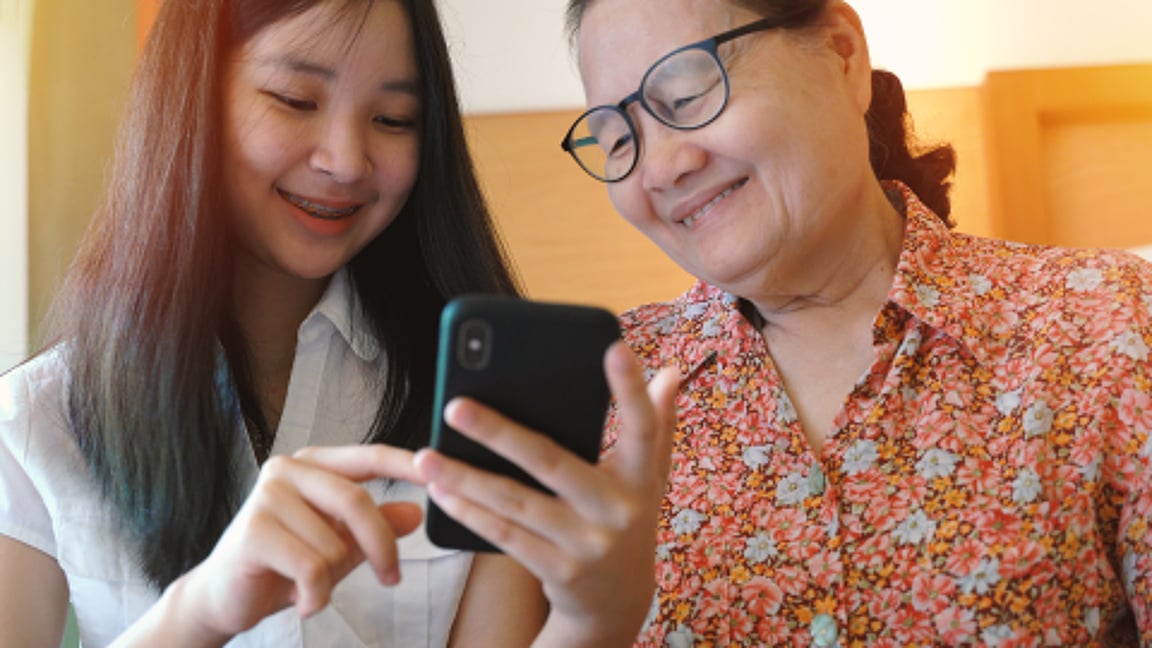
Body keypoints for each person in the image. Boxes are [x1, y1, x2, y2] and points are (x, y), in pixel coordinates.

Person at [0, 0, 679, 646]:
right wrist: (197, 612)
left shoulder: (478, 400)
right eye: (295, 100)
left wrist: (598, 622)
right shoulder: (35, 420)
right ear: (193, 98)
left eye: (394, 120)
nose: (347, 161)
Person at [552, 0, 1152, 644]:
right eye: (619, 139)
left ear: (843, 53)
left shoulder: (1106, 318)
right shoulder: (597, 393)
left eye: (689, 92)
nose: (662, 166)